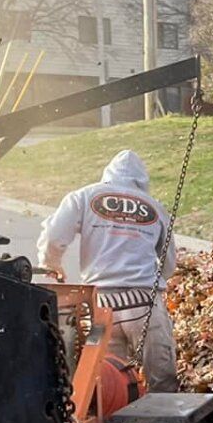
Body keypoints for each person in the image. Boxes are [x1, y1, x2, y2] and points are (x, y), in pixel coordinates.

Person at [37, 149, 178, 391]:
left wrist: (52, 264)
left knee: (110, 385)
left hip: (101, 306)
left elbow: (54, 237)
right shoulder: (155, 207)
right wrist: (158, 278)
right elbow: (169, 262)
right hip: (145, 302)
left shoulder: (83, 196)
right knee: (162, 382)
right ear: (142, 181)